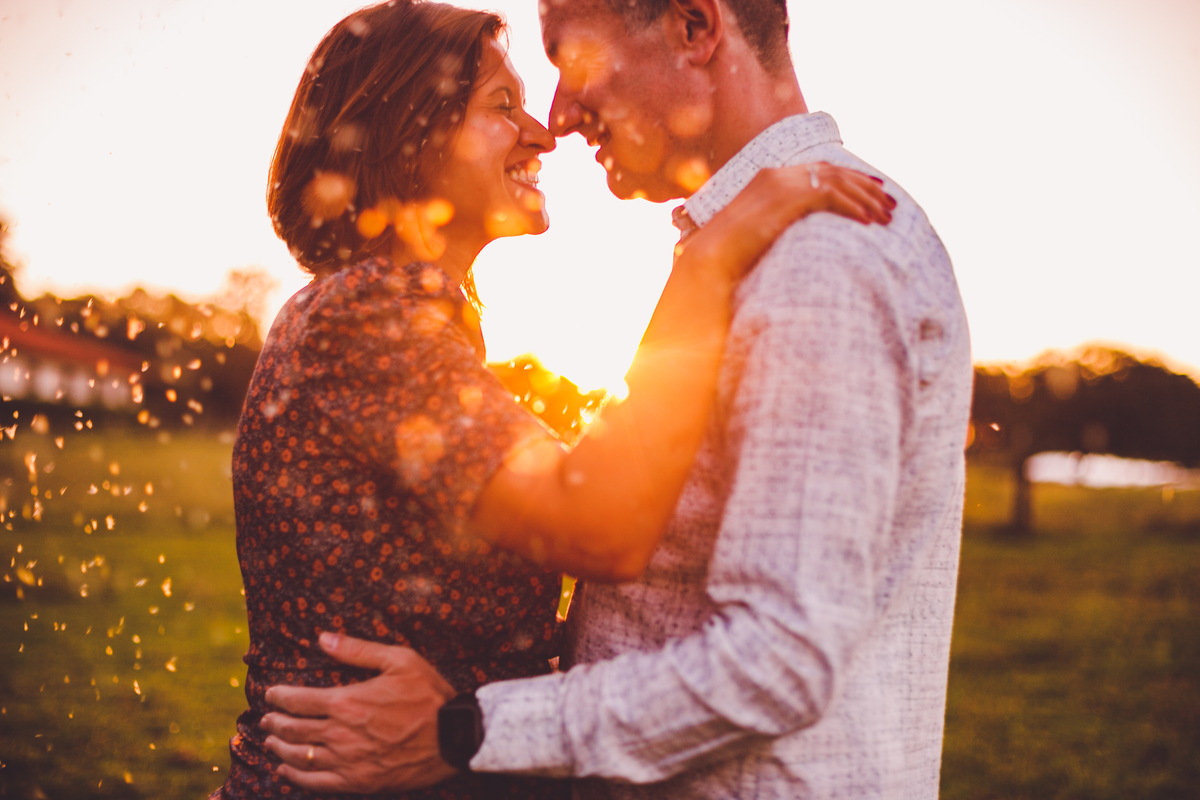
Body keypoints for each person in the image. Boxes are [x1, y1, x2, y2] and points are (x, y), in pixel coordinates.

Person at [258, 0, 973, 797]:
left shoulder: (819, 260)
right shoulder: (370, 322)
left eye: (571, 66)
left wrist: (471, 727)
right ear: (407, 136)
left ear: (695, 29)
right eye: (509, 103)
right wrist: (702, 266)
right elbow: (593, 524)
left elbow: (780, 654)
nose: (553, 122)